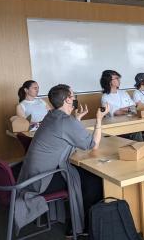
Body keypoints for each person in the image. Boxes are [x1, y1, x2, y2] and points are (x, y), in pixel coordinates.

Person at [15, 84, 109, 236]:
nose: (75, 99)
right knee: (94, 182)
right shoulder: (65, 121)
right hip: (42, 181)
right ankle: (79, 228)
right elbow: (92, 145)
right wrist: (99, 119)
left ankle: (79, 222)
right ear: (67, 100)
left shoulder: (51, 115)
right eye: (73, 96)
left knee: (87, 177)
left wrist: (77, 118)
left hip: (31, 175)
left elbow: (66, 132)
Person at [100, 70, 143, 141]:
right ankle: (141, 150)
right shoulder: (105, 97)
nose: (119, 80)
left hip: (131, 121)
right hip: (117, 127)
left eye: (119, 78)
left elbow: (134, 106)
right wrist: (129, 110)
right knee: (136, 130)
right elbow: (116, 113)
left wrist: (124, 109)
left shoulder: (123, 93)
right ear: (109, 81)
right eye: (116, 78)